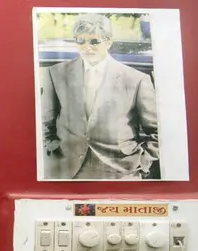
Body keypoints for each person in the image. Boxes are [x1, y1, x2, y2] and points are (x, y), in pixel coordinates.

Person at [41, 13, 159, 180]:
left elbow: (158, 131)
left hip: (120, 171)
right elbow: (44, 123)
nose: (87, 47)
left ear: (108, 42)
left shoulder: (137, 79)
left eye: (94, 41)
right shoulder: (56, 73)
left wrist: (141, 160)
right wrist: (53, 147)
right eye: (81, 41)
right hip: (65, 169)